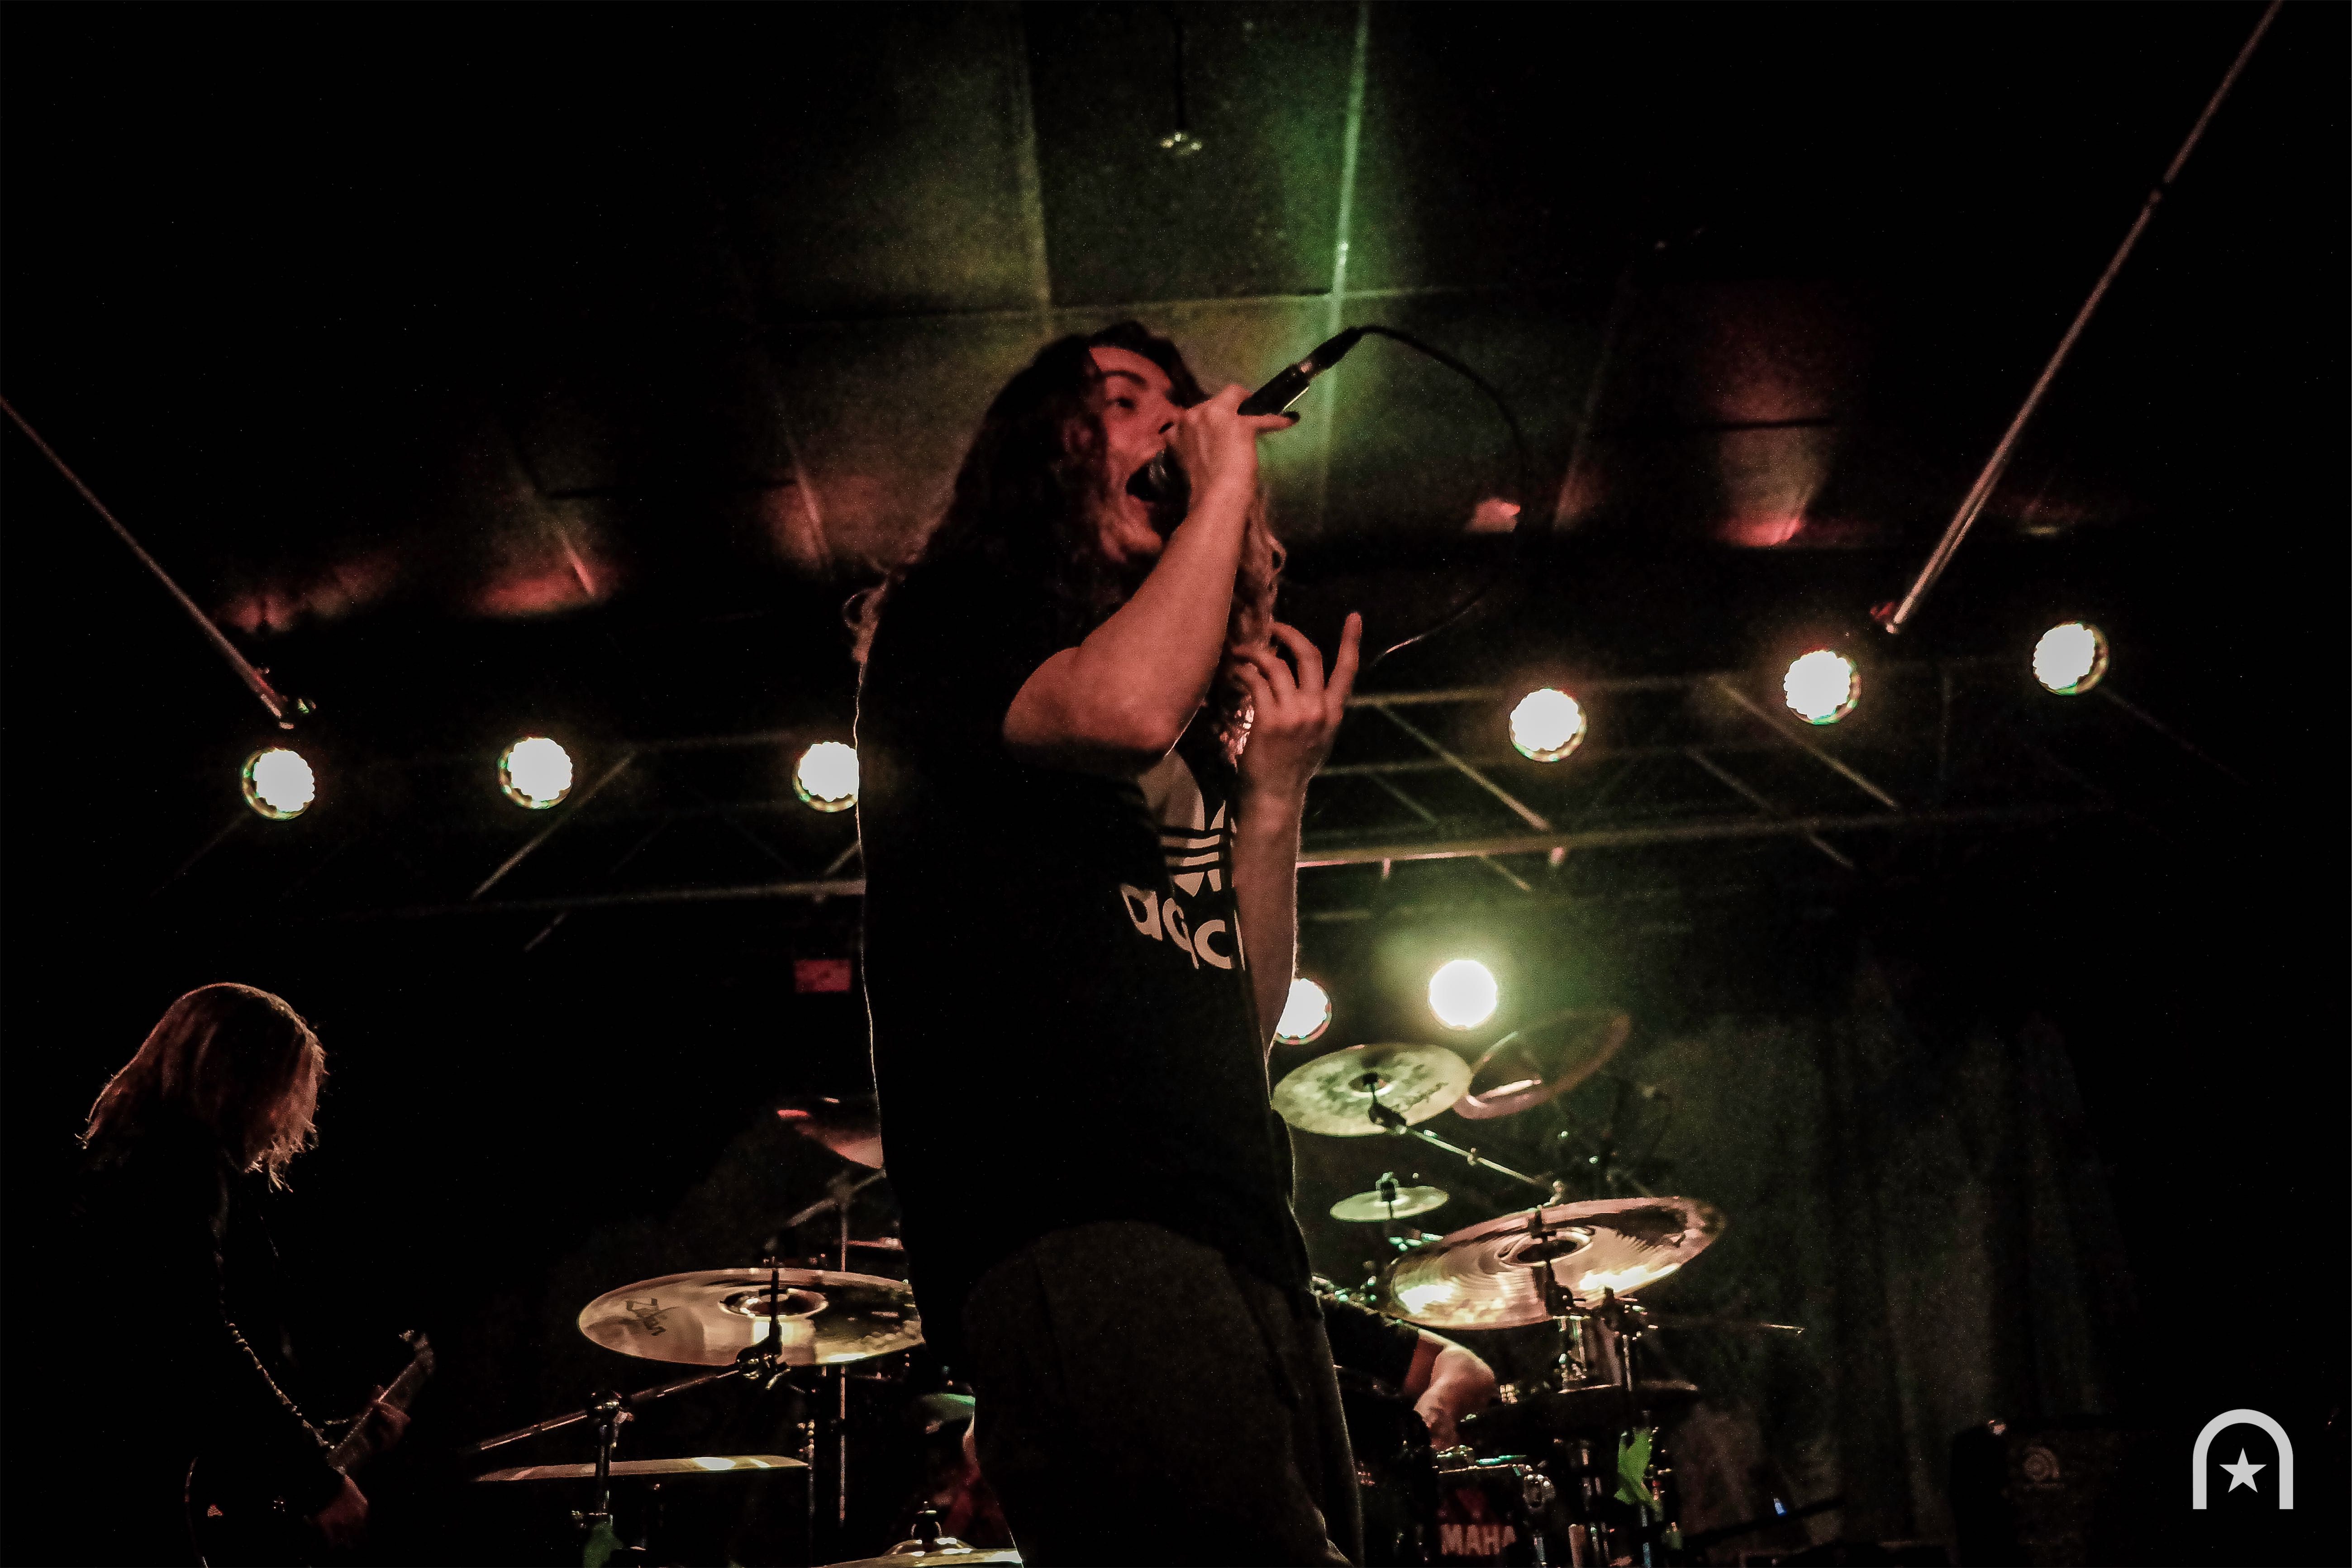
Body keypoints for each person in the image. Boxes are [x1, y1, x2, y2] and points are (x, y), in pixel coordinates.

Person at [856, 320, 1363, 1565]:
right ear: (1047, 450)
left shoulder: (1185, 742)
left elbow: (1238, 1020)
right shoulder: (953, 625)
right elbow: (1124, 701)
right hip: (1071, 1217)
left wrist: (1275, 801)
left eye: (1171, 401)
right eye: (1125, 399)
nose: (1173, 423)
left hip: (1238, 1231)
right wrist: (1226, 483)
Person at [67, 983, 404, 1565]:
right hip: (145, 1492)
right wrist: (316, 1480)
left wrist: (336, 1433)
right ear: (249, 1081)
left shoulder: (122, 1159)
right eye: (286, 1089)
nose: (285, 1117)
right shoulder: (183, 1162)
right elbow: (194, 1338)